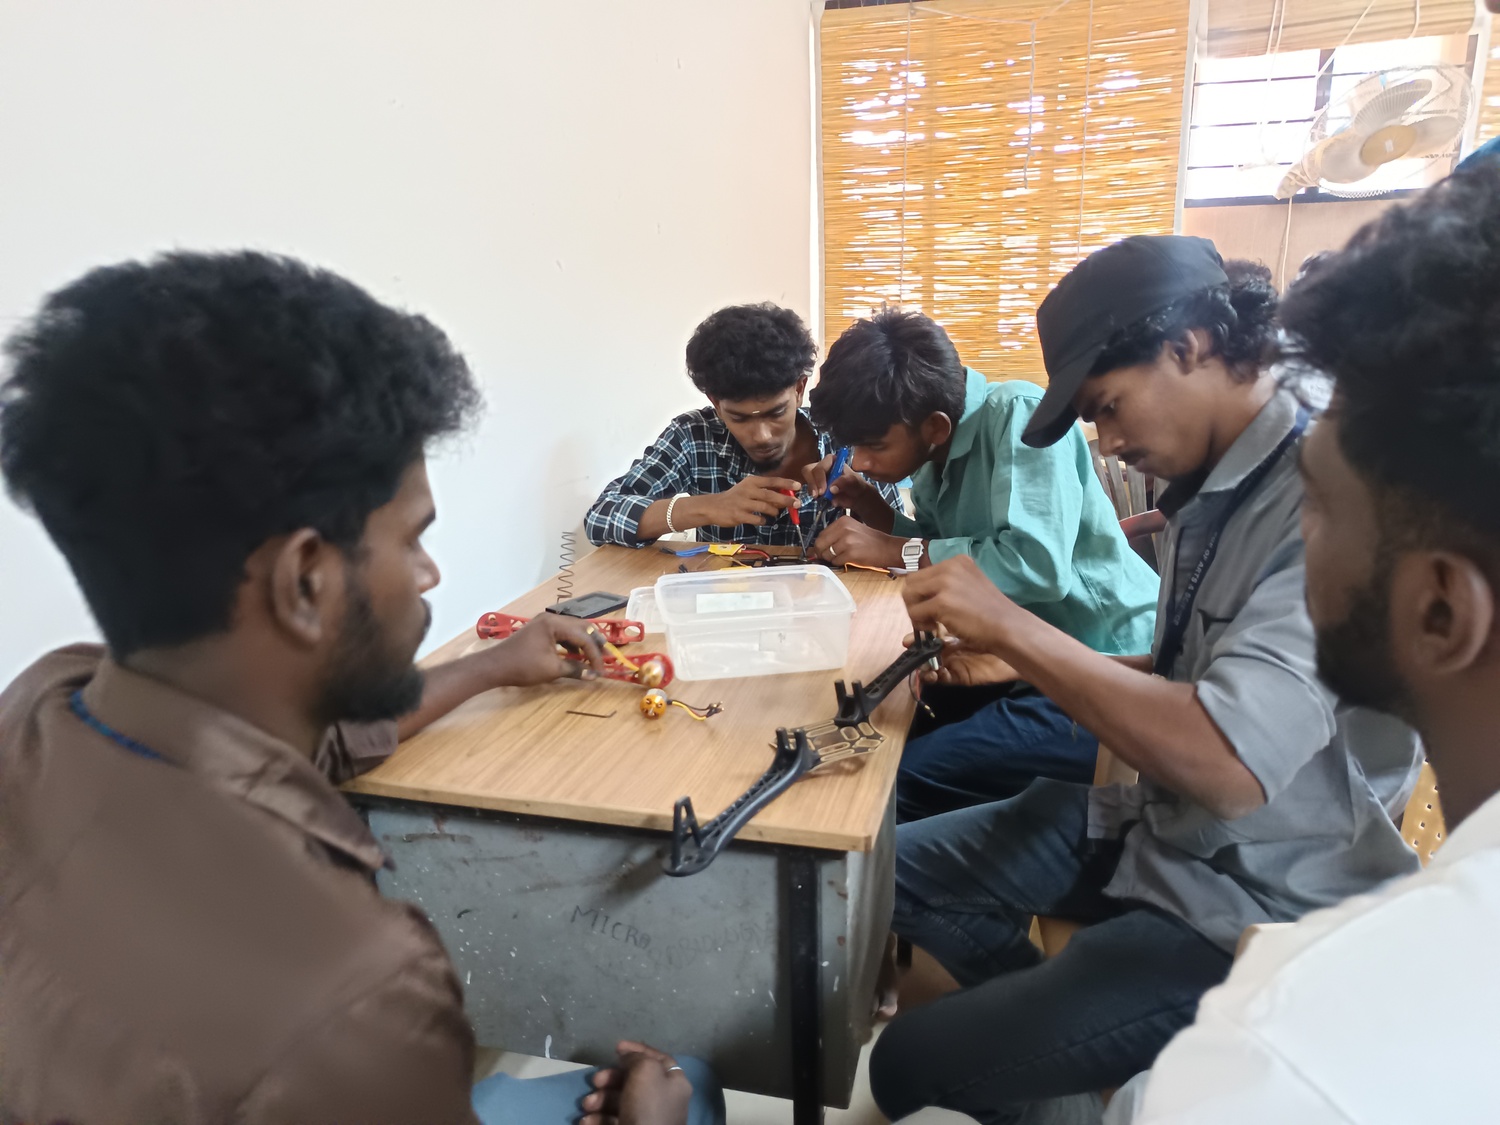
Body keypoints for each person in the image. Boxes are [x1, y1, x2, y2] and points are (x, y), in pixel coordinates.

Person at [0, 251, 722, 1125]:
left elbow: (314, 740)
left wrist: (494, 664)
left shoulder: (51, 697)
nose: (428, 573)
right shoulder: (356, 992)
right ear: (305, 579)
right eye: (412, 538)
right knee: (686, 1084)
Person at [867, 236, 1423, 1123]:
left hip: (1259, 897)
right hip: (1162, 824)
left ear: (1189, 345)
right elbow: (1188, 676)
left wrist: (1013, 626)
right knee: (883, 871)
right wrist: (1014, 660)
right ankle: (1049, 1048)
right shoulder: (1214, 480)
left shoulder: (1326, 496)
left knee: (906, 1065)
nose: (1110, 443)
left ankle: (1049, 1056)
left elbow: (1231, 764)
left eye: (1109, 407)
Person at [1103, 159, 1500, 1125]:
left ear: (1440, 610)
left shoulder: (1283, 1062)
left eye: (1316, 507)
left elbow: (1232, 760)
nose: (1293, 539)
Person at [805, 308, 1159, 820]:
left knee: (887, 788)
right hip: (1019, 664)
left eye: (874, 446)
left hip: (1105, 668)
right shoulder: (934, 454)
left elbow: (1035, 566)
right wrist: (872, 508)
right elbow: (945, 548)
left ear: (935, 425)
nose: (859, 461)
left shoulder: (1021, 414)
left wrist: (890, 549)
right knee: (873, 732)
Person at [586, 302, 900, 549]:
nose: (761, 436)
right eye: (739, 417)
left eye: (776, 412)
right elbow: (601, 517)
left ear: (799, 388)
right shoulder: (694, 436)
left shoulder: (841, 434)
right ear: (715, 402)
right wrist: (707, 507)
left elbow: (904, 539)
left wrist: (864, 501)